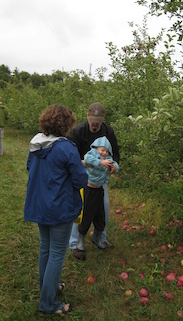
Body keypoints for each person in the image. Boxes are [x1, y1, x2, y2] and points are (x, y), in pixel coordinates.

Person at [24, 104, 88, 315]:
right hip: (59, 206)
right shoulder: (66, 147)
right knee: (57, 252)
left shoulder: (36, 144)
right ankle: (48, 303)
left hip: (40, 204)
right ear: (66, 124)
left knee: (46, 248)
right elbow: (80, 179)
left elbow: (29, 168)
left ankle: (48, 288)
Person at [67, 102, 120, 258]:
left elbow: (115, 153)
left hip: (99, 179)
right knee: (80, 211)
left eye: (98, 122)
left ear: (102, 119)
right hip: (81, 177)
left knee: (103, 209)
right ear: (88, 116)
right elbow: (70, 158)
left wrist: (113, 166)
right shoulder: (77, 132)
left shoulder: (108, 132)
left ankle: (99, 238)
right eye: (93, 122)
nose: (95, 125)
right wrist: (88, 163)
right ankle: (76, 243)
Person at [75, 136, 119, 259]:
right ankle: (79, 242)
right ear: (96, 147)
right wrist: (101, 162)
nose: (104, 153)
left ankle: (97, 238)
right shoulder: (92, 154)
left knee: (101, 215)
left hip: (99, 190)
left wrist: (114, 167)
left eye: (106, 151)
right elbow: (88, 159)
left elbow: (115, 165)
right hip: (89, 190)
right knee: (86, 216)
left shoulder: (108, 159)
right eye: (102, 150)